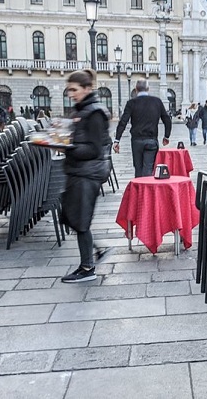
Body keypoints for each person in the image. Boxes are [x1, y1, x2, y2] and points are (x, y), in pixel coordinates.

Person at [60, 69, 113, 283]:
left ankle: (87, 268)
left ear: (87, 89)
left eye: (74, 90)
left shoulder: (94, 113)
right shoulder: (80, 111)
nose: (71, 94)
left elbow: (94, 150)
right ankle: (96, 252)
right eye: (69, 90)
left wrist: (66, 148)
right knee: (71, 217)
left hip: (88, 172)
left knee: (80, 220)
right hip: (78, 171)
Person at [114, 79, 171, 177]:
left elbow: (123, 121)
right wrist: (166, 136)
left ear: (136, 89)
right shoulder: (157, 101)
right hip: (151, 140)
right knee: (148, 169)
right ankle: (147, 190)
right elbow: (167, 120)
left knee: (138, 169)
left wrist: (117, 140)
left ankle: (139, 190)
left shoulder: (131, 103)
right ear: (148, 88)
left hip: (137, 141)